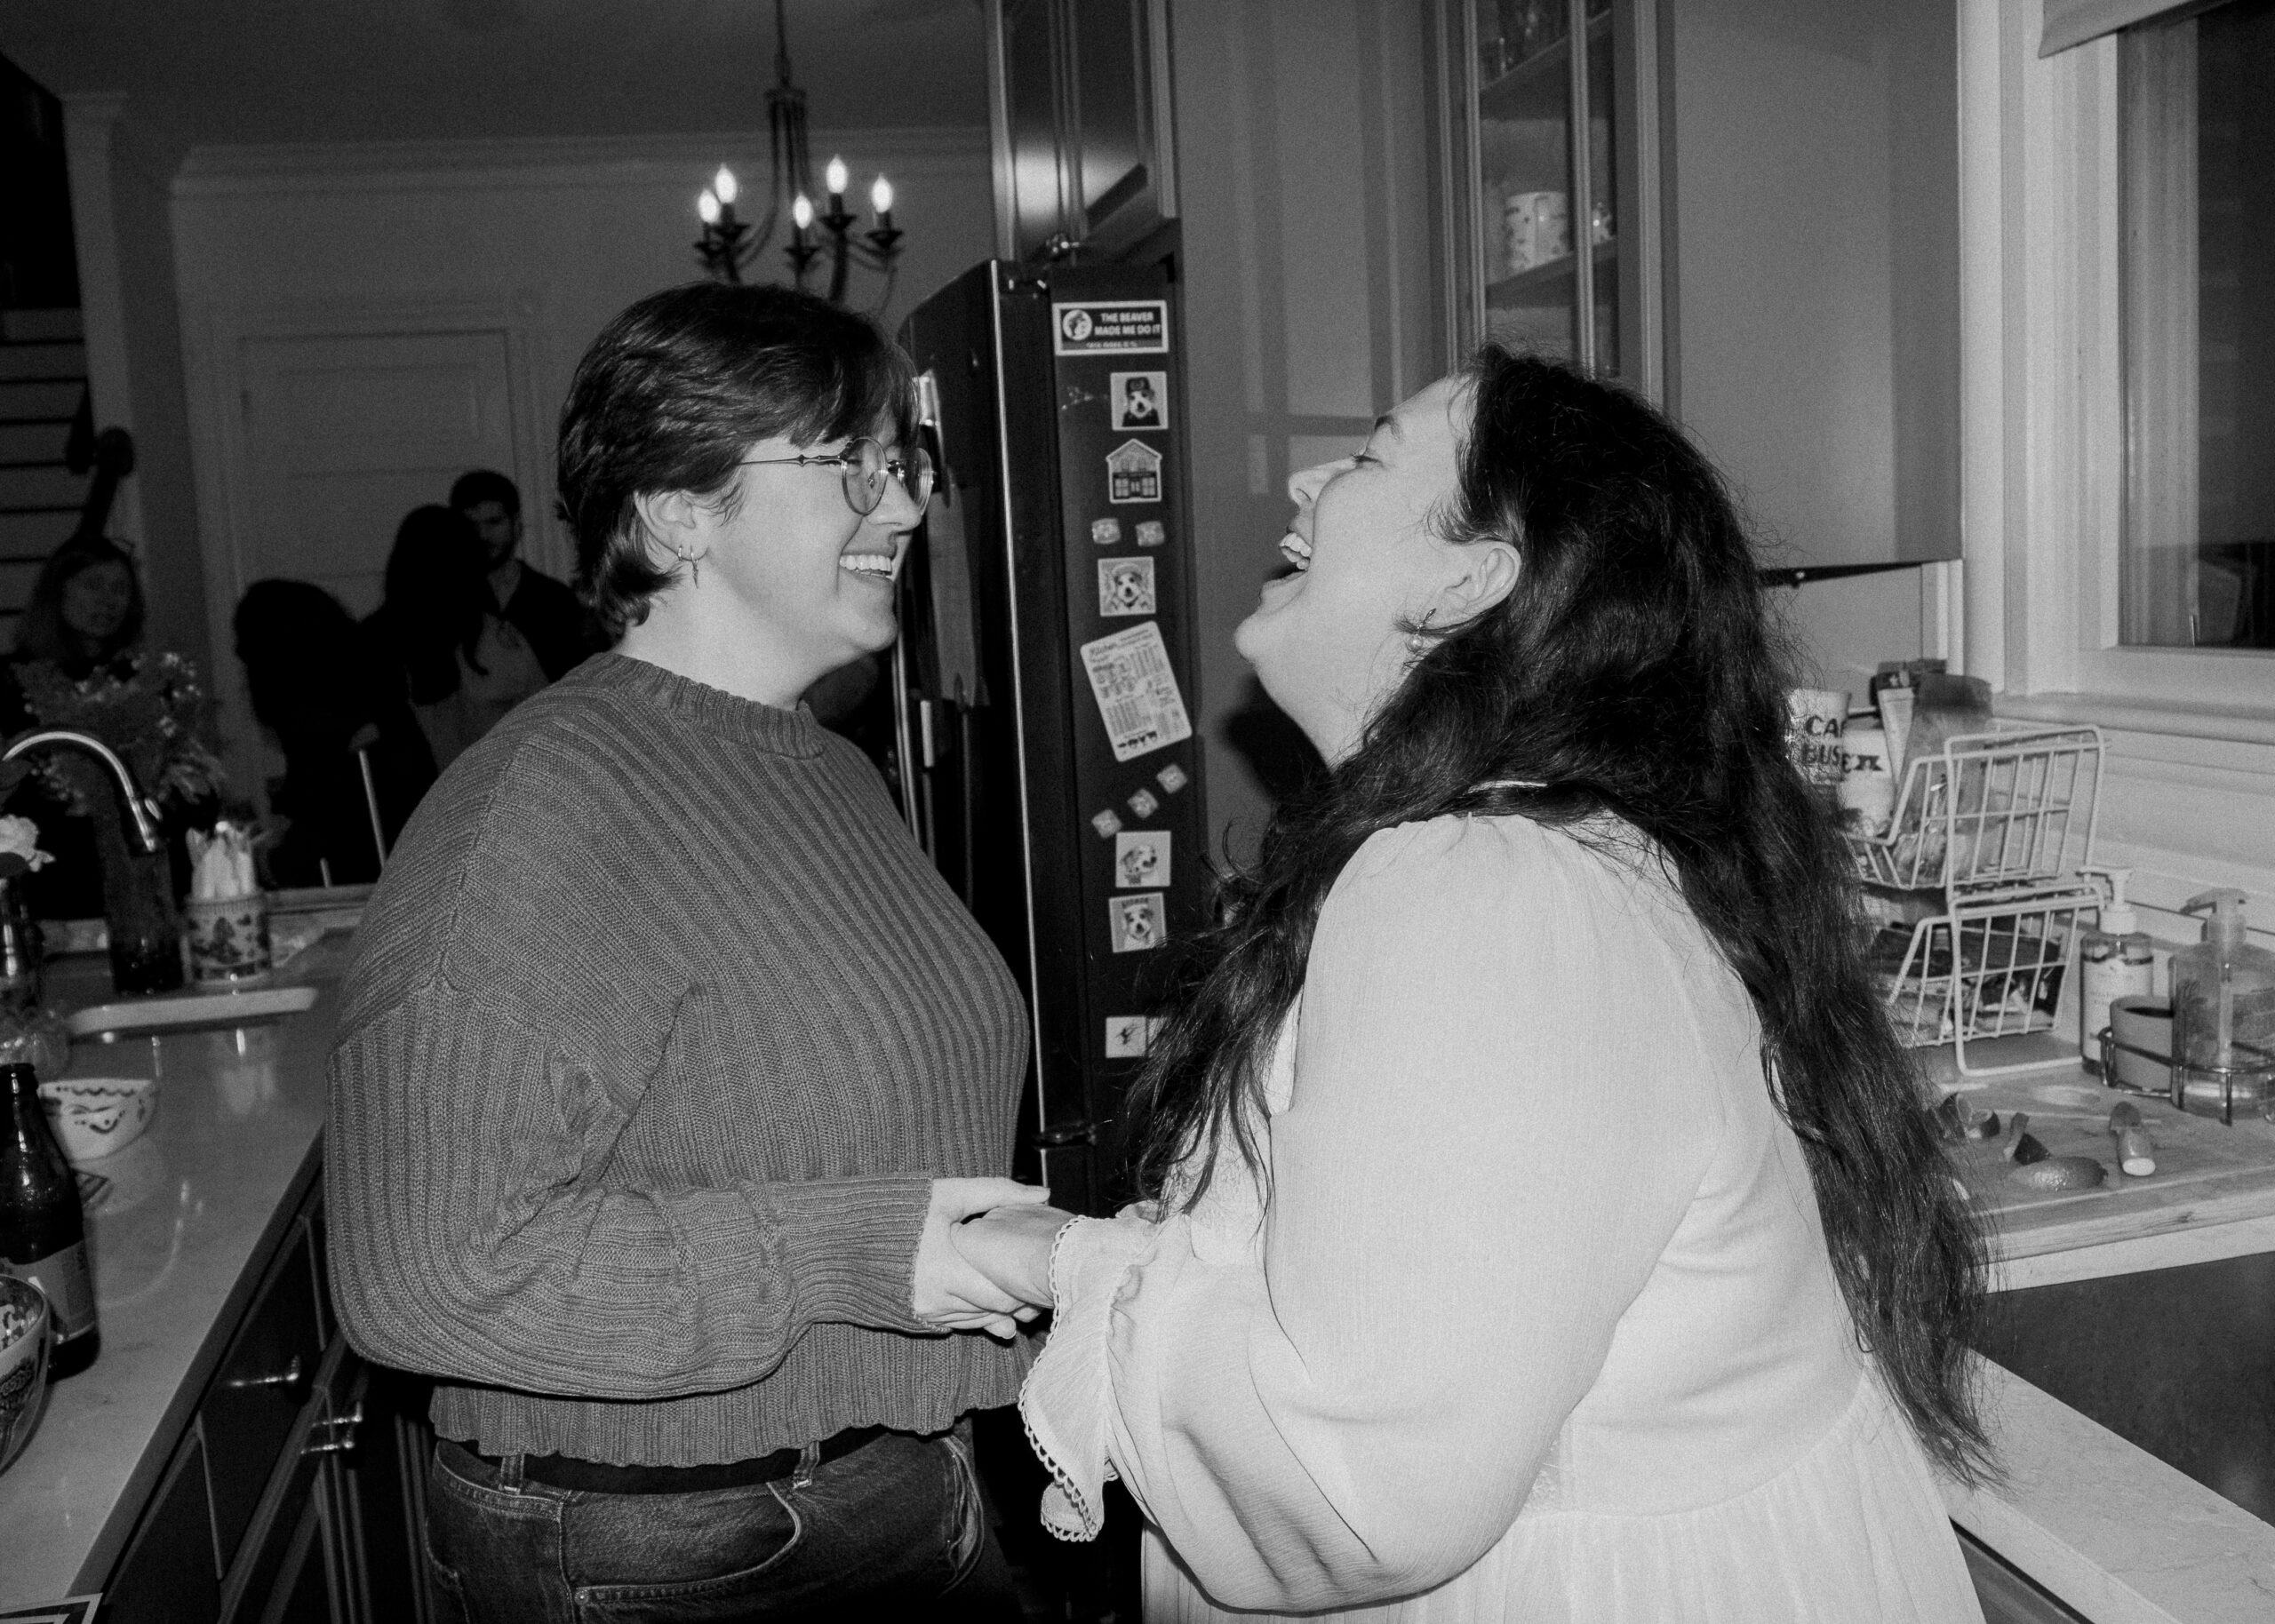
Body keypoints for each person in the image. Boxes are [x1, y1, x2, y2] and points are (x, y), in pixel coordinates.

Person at [957, 351, 1994, 1620]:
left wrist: (1059, 1261)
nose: (1303, 477)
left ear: (1469, 577)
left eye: (1372, 455)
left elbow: (1353, 1482)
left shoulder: (1481, 895)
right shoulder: (1550, 860)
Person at [326, 281, 1043, 1623]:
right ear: (678, 510)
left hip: (899, 1478)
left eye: (905, 464)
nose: (901, 508)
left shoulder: (831, 771)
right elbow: (424, 1276)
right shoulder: (541, 809)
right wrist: (856, 1254)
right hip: (664, 1543)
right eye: (852, 469)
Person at [0, 534, 220, 919]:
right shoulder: (10, 684)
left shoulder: (150, 681)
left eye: (121, 589)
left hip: (150, 872)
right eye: (93, 586)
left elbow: (194, 784)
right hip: (58, 882)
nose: (108, 601)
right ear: (58, 592)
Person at [233, 579, 435, 885]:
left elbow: (323, 822)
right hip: (410, 875)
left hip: (367, 888)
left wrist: (263, 862)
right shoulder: (379, 706)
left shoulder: (326, 723)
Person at [363, 505, 547, 773]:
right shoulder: (500, 639)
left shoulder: (371, 640)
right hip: (490, 795)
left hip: (416, 805)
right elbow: (544, 724)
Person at [451, 467, 596, 680]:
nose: (482, 535)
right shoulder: (446, 599)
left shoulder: (554, 599)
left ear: (516, 522)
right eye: (471, 525)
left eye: (494, 522)